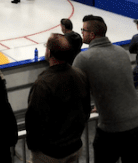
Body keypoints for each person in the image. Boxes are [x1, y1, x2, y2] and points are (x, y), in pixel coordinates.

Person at [73, 16, 138, 163]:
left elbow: (74, 92)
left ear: (92, 34)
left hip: (112, 127)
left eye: (83, 30)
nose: (81, 33)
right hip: (135, 124)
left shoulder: (84, 59)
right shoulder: (121, 51)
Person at [25, 33, 91, 163]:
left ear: (49, 53)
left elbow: (34, 120)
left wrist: (34, 147)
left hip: (50, 153)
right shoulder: (80, 75)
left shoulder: (43, 84)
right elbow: (86, 108)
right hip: (74, 146)